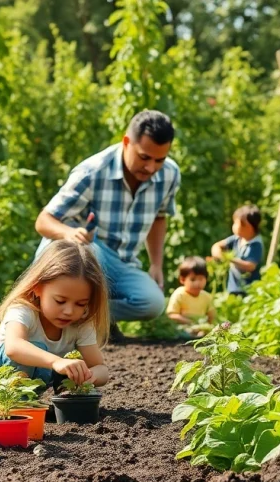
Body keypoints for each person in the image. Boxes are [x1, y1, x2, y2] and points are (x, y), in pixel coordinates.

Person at [34, 110, 180, 338]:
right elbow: (44, 221)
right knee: (90, 254)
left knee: (152, 303)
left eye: (159, 160)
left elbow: (159, 217)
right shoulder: (93, 172)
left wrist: (156, 264)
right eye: (144, 157)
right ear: (126, 142)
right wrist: (70, 233)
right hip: (83, 255)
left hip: (122, 262)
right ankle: (60, 320)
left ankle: (94, 317)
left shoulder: (170, 174)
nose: (151, 167)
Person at [0, 241, 110, 412]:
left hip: (30, 389)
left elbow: (101, 368)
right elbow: (14, 348)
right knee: (38, 351)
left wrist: (88, 377)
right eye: (60, 301)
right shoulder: (23, 310)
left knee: (75, 363)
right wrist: (57, 361)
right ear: (37, 287)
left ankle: (20, 407)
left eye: (81, 304)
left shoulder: (81, 324)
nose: (69, 311)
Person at [211, 205, 264, 296]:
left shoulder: (255, 245)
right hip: (233, 288)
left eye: (236, 223)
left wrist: (229, 259)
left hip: (248, 291)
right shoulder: (237, 239)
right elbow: (217, 246)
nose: (234, 226)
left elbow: (250, 266)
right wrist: (218, 254)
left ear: (248, 227)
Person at [166, 257, 216, 334]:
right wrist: (190, 322)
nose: (197, 283)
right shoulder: (179, 294)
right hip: (183, 327)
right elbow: (172, 315)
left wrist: (208, 326)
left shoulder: (206, 296)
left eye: (201, 279)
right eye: (192, 279)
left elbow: (211, 316)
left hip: (200, 327)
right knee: (184, 333)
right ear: (182, 279)